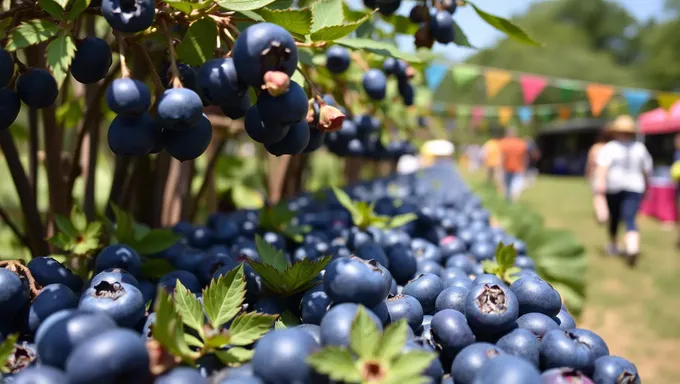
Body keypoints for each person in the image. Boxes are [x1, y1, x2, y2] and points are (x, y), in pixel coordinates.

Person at [593, 115, 652, 266]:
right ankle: (632, 247)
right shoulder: (639, 148)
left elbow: (602, 169)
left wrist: (599, 188)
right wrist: (647, 187)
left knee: (614, 217)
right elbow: (646, 171)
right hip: (635, 187)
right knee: (630, 218)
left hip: (614, 187)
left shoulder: (610, 148)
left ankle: (613, 245)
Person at [586, 127, 611, 224]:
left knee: (598, 195)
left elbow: (590, 162)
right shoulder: (611, 147)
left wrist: (588, 173)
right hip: (609, 174)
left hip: (598, 173)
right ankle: (607, 213)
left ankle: (602, 216)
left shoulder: (595, 147)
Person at [499, 127, 529, 202]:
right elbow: (525, 157)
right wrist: (525, 167)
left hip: (507, 168)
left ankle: (508, 201)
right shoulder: (521, 143)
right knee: (515, 187)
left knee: (507, 186)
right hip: (518, 168)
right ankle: (513, 201)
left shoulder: (504, 143)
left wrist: (500, 168)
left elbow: (502, 157)